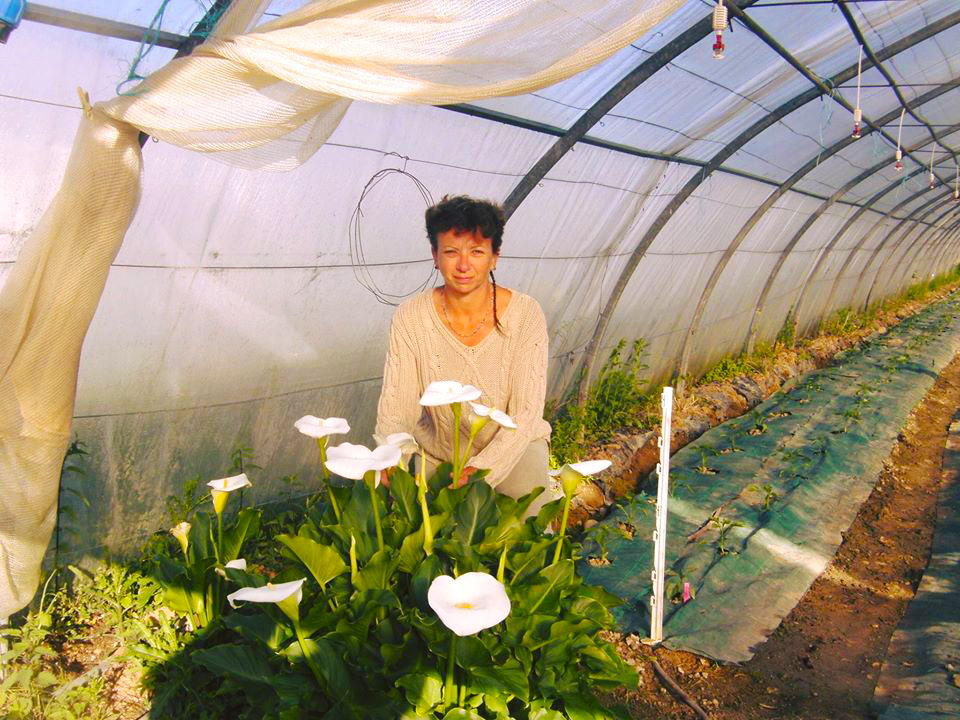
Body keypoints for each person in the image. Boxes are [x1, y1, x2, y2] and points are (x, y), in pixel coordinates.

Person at [375, 195, 557, 511]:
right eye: (450, 252)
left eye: (476, 252)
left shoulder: (526, 314)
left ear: (494, 256)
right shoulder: (411, 317)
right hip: (439, 454)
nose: (463, 265)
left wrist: (480, 470)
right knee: (420, 539)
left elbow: (525, 413)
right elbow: (397, 407)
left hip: (514, 450)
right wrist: (394, 456)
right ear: (434, 255)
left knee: (527, 535)